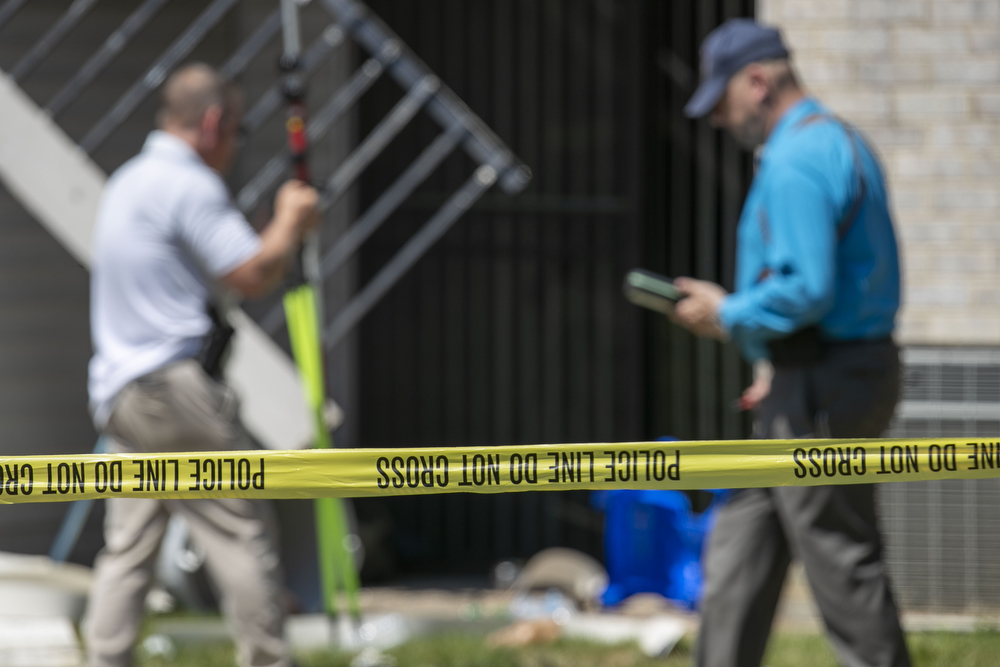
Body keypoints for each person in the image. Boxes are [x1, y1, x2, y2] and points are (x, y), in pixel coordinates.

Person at [671, 19, 911, 667]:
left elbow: (806, 288)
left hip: (822, 388)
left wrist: (726, 313)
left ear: (757, 81)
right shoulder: (840, 141)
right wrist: (770, 357)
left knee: (839, 558)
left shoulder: (797, 159)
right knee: (738, 553)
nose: (720, 119)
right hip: (809, 379)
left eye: (722, 102)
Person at [84, 63, 319, 667]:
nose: (234, 146)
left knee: (130, 544)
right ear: (212, 122)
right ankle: (268, 660)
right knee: (238, 533)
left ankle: (104, 658)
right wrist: (290, 221)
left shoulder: (130, 180)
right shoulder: (185, 183)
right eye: (236, 132)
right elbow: (251, 272)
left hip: (122, 393)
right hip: (174, 393)